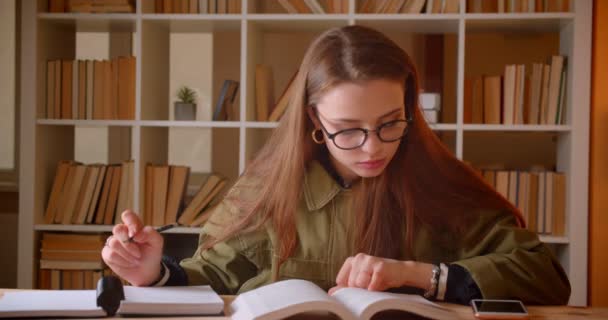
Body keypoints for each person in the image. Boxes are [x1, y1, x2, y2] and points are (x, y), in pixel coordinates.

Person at [102, 25, 570, 305]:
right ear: (314, 120)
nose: (371, 148)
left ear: (410, 108)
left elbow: (545, 275)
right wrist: (155, 274)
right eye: (348, 129)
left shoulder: (439, 183)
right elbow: (214, 276)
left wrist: (417, 274)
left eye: (390, 123)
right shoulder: (267, 187)